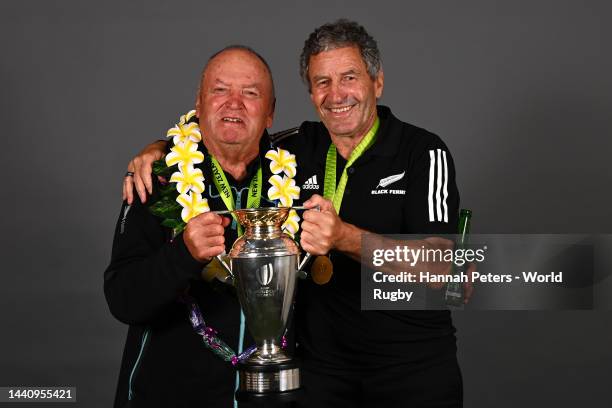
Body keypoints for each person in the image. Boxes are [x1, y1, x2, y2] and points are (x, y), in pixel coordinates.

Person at [124, 20, 472, 408]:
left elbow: (453, 274)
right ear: (310, 92)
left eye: (349, 77)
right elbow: (226, 133)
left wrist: (345, 238)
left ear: (377, 83)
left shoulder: (422, 152)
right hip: (320, 376)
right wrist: (157, 149)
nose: (336, 94)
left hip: (411, 372)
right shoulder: (293, 150)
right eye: (322, 82)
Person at [105, 45, 288, 408]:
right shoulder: (157, 178)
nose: (233, 103)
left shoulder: (295, 172)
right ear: (198, 105)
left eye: (250, 93)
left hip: (268, 396)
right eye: (220, 90)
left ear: (270, 113)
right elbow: (122, 298)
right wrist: (183, 255)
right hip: (169, 397)